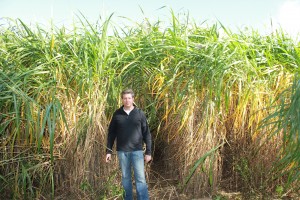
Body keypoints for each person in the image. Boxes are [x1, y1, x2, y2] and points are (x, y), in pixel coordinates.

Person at [106, 89, 152, 200]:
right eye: (125, 98)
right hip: (122, 151)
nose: (127, 100)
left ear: (133, 99)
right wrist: (108, 151)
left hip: (137, 151)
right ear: (122, 99)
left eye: (129, 98)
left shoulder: (139, 113)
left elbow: (147, 134)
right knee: (126, 178)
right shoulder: (117, 114)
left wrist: (148, 152)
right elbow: (111, 133)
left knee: (140, 178)